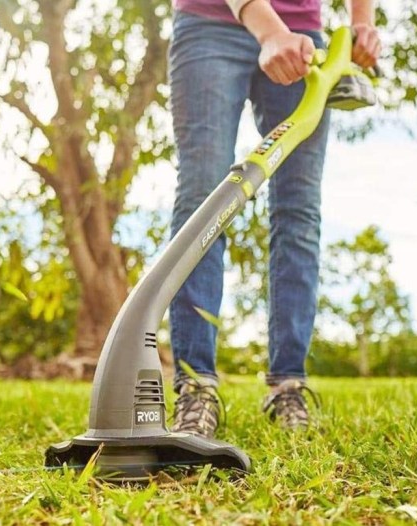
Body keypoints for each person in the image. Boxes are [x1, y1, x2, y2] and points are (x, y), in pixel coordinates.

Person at [168, 0, 381, 437]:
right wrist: (268, 31)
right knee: (204, 199)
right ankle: (196, 388)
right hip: (210, 24)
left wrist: (363, 23)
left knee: (299, 210)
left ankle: (288, 385)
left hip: (304, 36)